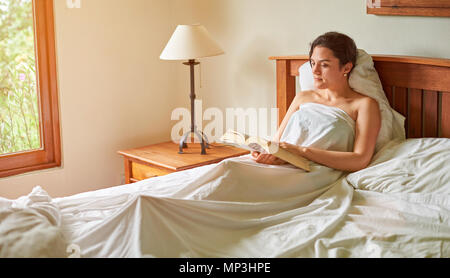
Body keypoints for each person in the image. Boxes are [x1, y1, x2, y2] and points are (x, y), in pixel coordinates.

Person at [251, 32, 381, 172]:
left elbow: (360, 160)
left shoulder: (364, 105)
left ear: (346, 68)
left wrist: (301, 151)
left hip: (313, 172)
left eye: (324, 65)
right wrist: (265, 152)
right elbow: (277, 142)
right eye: (312, 63)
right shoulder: (303, 97)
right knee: (228, 168)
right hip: (282, 165)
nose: (315, 71)